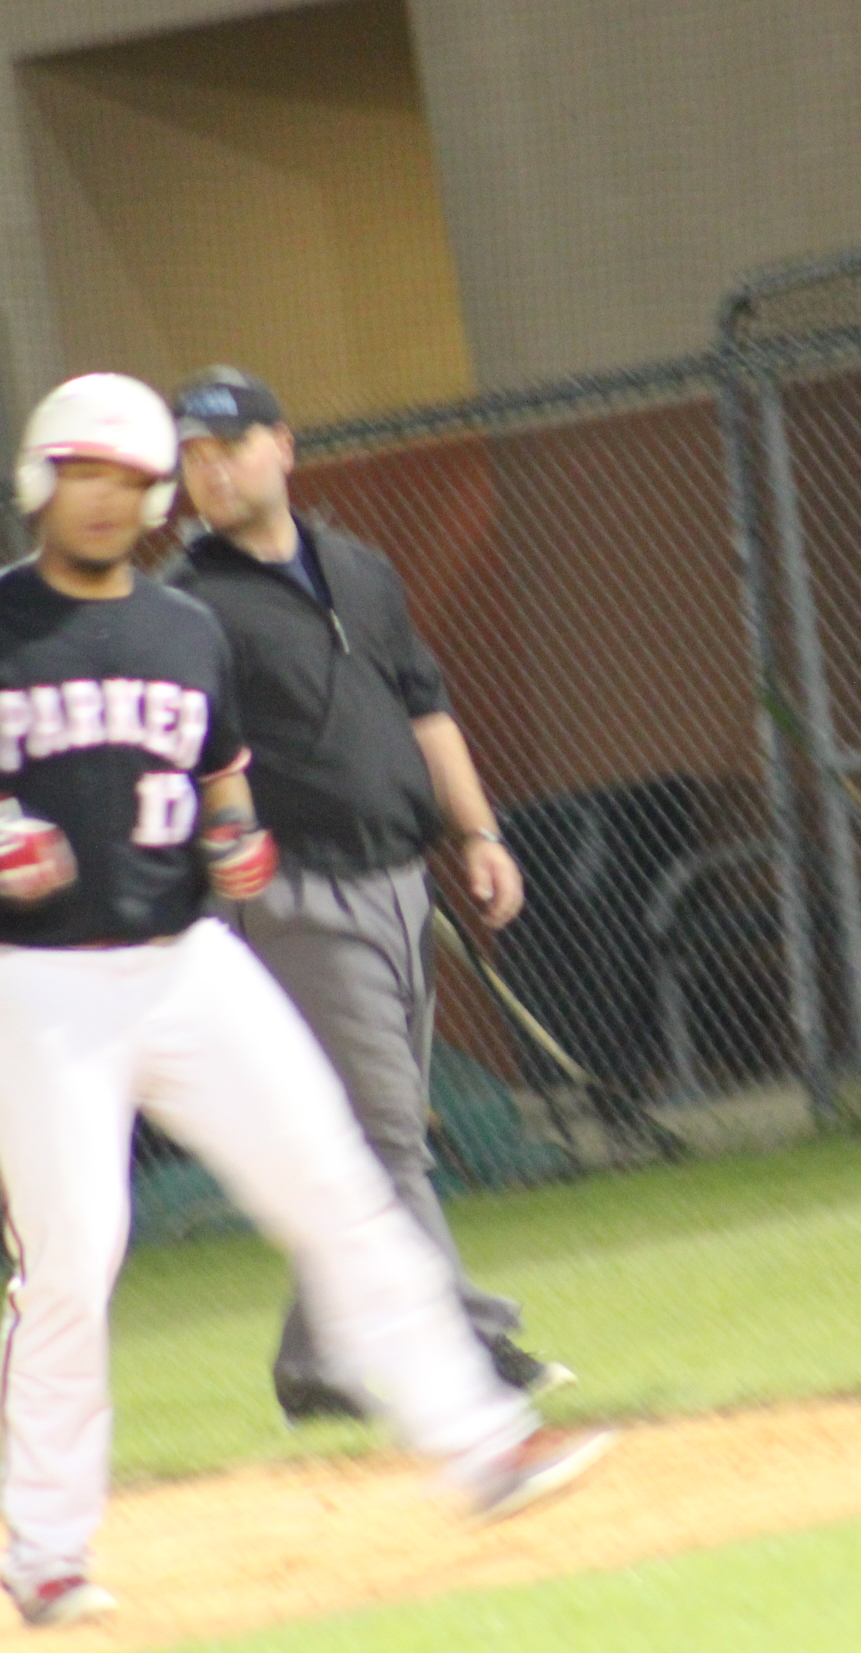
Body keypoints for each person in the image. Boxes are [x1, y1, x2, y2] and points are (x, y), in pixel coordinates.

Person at [0, 372, 611, 1628]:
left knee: (339, 1182)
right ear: (39, 484)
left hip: (185, 960)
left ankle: (481, 1442)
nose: (109, 500)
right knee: (73, 1256)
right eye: (86, 475)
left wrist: (233, 836)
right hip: (33, 981)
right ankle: (46, 1553)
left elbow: (220, 774)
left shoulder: (183, 631)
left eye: (132, 482)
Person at [163, 367, 574, 1425]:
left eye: (228, 447)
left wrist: (478, 832)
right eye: (192, 458)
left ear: (282, 446)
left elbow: (425, 708)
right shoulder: (188, 604)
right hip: (294, 894)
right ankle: (467, 1344)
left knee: (356, 1138)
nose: (211, 472)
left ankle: (319, 1366)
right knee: (389, 1134)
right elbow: (187, 756)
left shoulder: (357, 568)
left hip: (399, 878)